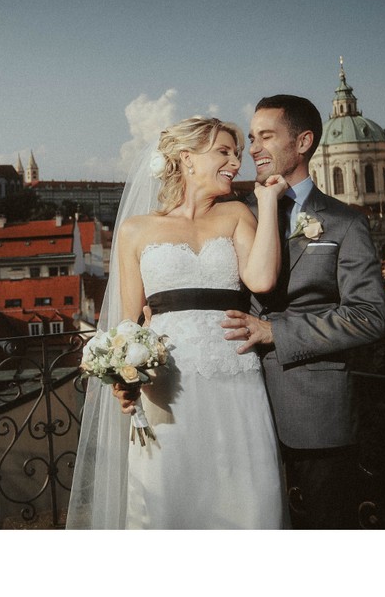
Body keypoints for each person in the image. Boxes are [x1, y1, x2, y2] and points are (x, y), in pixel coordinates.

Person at [66, 116, 288, 529]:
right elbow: (127, 326)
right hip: (165, 387)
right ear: (187, 158)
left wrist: (270, 202)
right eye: (223, 151)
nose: (235, 162)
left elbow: (261, 279)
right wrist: (123, 378)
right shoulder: (135, 231)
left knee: (246, 496)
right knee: (168, 497)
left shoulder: (238, 213)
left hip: (235, 378)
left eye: (236, 153)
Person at [221, 94, 385, 529]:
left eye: (267, 137)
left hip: (315, 413)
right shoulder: (236, 216)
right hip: (235, 406)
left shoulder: (345, 222)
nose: (252, 148)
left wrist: (275, 332)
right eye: (251, 137)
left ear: (304, 142)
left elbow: (368, 316)